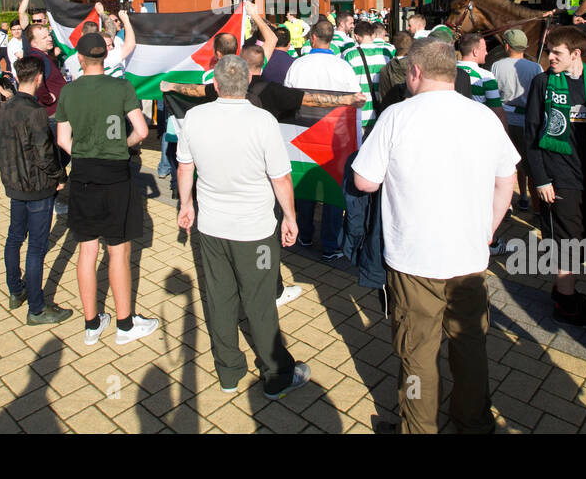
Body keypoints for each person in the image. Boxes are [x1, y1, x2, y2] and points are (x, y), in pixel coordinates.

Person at [352, 38, 518, 434]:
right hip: (469, 258)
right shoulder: (483, 118)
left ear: (415, 72)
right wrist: (488, 229)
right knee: (470, 346)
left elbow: (364, 181)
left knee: (417, 353)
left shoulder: (395, 116)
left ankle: (418, 427)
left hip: (413, 259)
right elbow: (507, 179)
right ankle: (474, 422)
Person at [176, 54, 311, 397]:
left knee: (219, 297)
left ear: (216, 85)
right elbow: (280, 177)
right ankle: (276, 374)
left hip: (212, 227)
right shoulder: (263, 121)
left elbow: (185, 168)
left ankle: (229, 372)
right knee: (259, 299)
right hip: (257, 231)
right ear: (248, 82)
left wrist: (187, 205)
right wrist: (291, 218)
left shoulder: (193, 117)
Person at [55, 33, 158, 346]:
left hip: (84, 172)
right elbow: (141, 131)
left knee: (87, 248)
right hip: (115, 173)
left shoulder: (69, 91)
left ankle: (91, 323)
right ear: (105, 56)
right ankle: (125, 324)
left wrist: (85, 153)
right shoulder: (121, 87)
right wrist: (119, 146)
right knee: (119, 250)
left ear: (81, 58)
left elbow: (62, 140)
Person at [525, 26, 586, 326]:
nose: (550, 57)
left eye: (556, 53)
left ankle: (564, 290)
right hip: (558, 180)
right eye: (548, 51)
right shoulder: (541, 83)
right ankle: (567, 305)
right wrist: (541, 180)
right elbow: (532, 134)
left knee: (585, 238)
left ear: (576, 54)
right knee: (565, 242)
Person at [0, 56, 72, 325]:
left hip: (14, 183)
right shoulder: (36, 112)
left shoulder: (5, 108)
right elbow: (44, 152)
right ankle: (37, 308)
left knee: (14, 237)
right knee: (36, 247)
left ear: (18, 77)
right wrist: (59, 176)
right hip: (38, 186)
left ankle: (15, 290)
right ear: (40, 79)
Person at [284, 19, 361, 258]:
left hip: (302, 136)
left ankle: (305, 235)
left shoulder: (298, 65)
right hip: (335, 139)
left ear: (314, 38)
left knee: (305, 186)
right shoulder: (343, 67)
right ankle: (330, 244)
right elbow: (356, 104)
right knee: (332, 193)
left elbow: (288, 101)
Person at [491, 29, 542, 213]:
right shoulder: (535, 67)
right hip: (528, 120)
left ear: (506, 46)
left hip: (505, 119)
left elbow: (494, 92)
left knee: (509, 162)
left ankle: (515, 199)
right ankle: (533, 202)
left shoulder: (497, 66)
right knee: (530, 163)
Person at [343, 20, 396, 134]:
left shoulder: (349, 54)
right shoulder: (385, 52)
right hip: (383, 113)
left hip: (360, 114)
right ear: (373, 35)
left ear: (356, 37)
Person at [455, 33, 504, 124]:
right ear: (475, 52)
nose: (487, 53)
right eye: (485, 49)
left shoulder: (447, 71)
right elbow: (497, 112)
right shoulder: (486, 76)